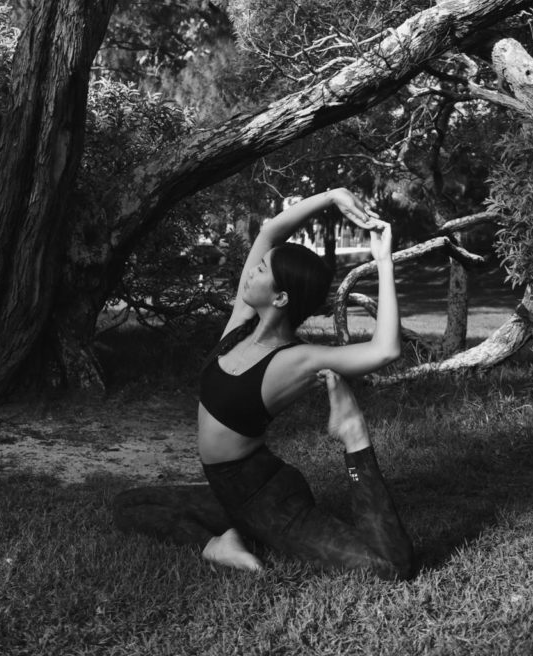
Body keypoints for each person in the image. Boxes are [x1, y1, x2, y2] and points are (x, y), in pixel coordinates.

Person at [113, 187, 414, 579]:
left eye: (262, 270)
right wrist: (332, 196)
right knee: (128, 506)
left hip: (268, 502)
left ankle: (351, 431)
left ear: (281, 297)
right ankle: (218, 545)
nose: (251, 269)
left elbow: (385, 349)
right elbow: (270, 232)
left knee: (389, 566)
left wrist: (383, 262)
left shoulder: (296, 359)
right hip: (229, 492)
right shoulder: (240, 325)